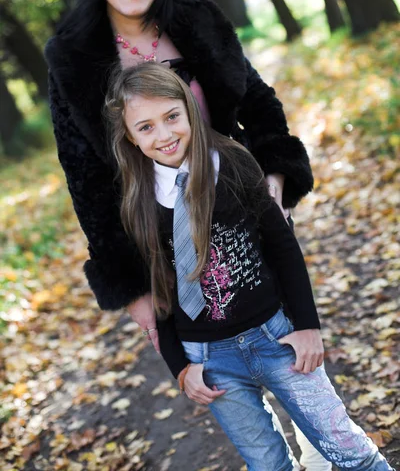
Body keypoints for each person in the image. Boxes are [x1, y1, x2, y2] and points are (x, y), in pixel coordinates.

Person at [45, 0, 330, 468]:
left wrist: (275, 174)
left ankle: (329, 450)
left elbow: (259, 101)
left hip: (243, 220)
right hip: (163, 246)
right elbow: (85, 178)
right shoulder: (73, 56)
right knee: (233, 394)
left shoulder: (197, 20)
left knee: (296, 357)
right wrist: (130, 287)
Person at [104, 61, 393, 471]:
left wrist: (307, 325)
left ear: (189, 109)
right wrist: (180, 367)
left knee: (345, 445)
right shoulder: (137, 203)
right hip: (208, 358)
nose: (164, 134)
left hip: (275, 336)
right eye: (146, 127)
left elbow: (281, 246)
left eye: (172, 117)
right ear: (130, 138)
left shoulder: (232, 162)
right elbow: (162, 289)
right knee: (267, 464)